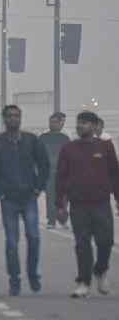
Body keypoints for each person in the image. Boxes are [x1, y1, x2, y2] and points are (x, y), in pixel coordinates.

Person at [0, 105, 50, 296]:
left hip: (29, 197)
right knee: (12, 242)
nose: (14, 119)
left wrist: (38, 188)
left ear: (20, 118)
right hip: (8, 200)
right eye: (10, 116)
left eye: (17, 116)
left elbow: (44, 165)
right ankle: (14, 279)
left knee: (34, 238)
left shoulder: (31, 140)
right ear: (4, 120)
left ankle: (32, 274)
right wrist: (0, 193)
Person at [56, 111, 119, 298]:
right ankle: (83, 281)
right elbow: (60, 177)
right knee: (82, 243)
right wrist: (59, 204)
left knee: (105, 241)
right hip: (78, 204)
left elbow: (115, 175)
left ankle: (100, 270)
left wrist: (118, 198)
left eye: (84, 123)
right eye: (79, 123)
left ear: (94, 126)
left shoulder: (106, 147)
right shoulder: (68, 149)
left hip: (101, 203)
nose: (80, 126)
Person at [40, 112, 71, 229]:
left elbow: (70, 156)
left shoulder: (65, 138)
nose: (52, 124)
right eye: (50, 122)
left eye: (55, 122)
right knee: (50, 197)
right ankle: (51, 220)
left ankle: (62, 219)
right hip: (48, 173)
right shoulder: (43, 138)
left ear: (60, 124)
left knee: (63, 198)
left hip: (63, 173)